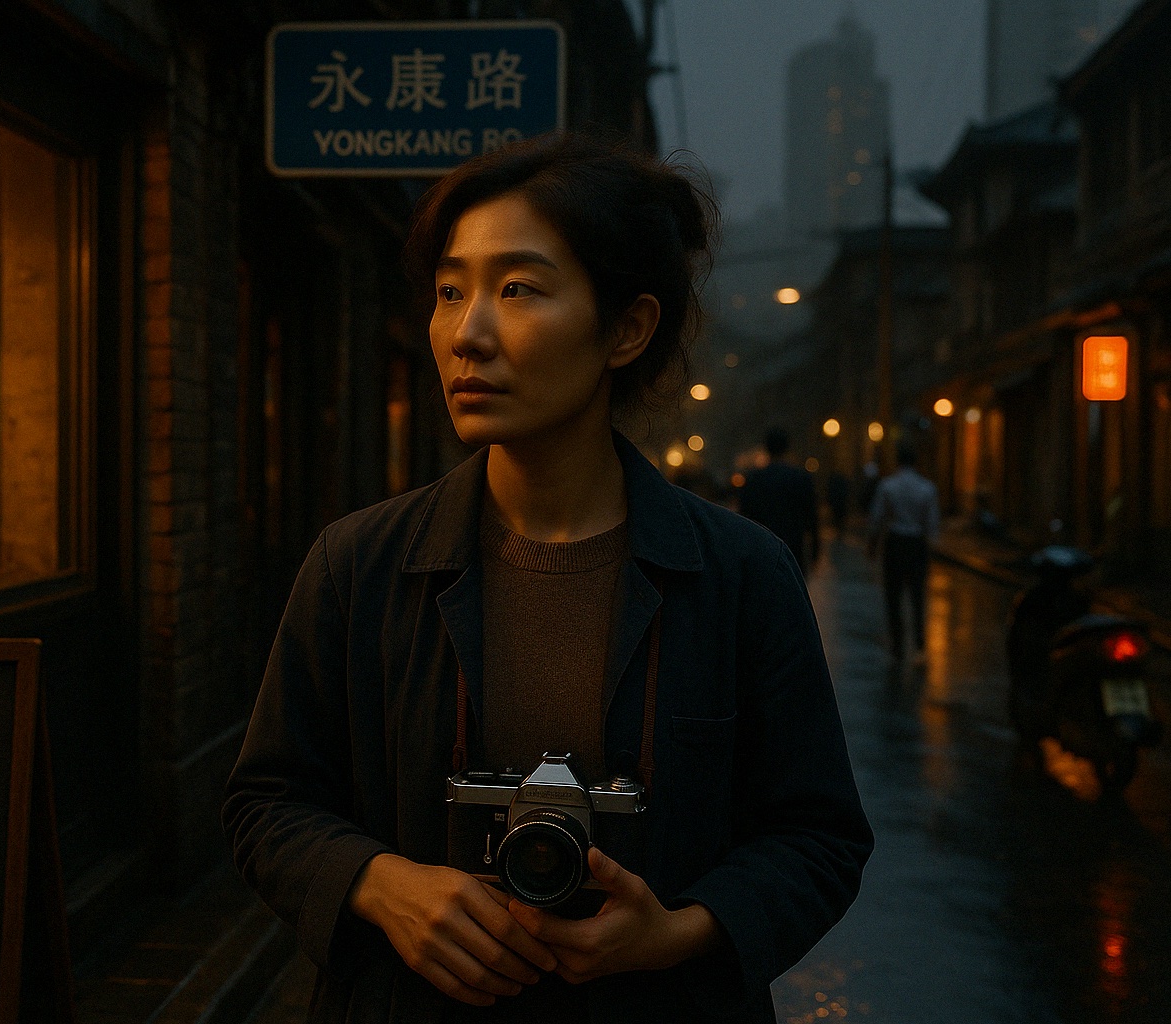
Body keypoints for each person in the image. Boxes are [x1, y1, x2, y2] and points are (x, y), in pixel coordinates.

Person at [223, 133, 872, 1024]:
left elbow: (818, 835)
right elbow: (268, 801)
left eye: (517, 290)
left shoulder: (740, 575)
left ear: (626, 329)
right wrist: (378, 883)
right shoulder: (358, 563)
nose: (466, 333)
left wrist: (682, 931)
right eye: (451, 292)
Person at [867, 439, 941, 663]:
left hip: (895, 542)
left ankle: (898, 645)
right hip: (916, 543)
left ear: (898, 461)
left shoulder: (888, 486)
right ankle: (919, 645)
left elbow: (877, 517)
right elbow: (932, 521)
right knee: (918, 595)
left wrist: (872, 545)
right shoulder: (927, 487)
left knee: (893, 595)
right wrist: (930, 544)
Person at [736, 428, 820, 571]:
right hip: (792, 546)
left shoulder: (754, 479)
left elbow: (745, 516)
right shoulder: (800, 478)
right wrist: (815, 550)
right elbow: (811, 515)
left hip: (762, 546)